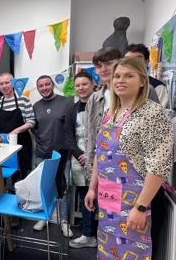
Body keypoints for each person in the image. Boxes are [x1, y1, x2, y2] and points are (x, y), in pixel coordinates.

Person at [84, 57, 173, 259]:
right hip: (108, 202)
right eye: (117, 76)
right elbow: (101, 152)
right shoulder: (110, 112)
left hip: (138, 203)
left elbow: (159, 165)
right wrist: (92, 188)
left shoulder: (152, 113)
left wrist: (140, 207)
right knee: (108, 251)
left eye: (128, 75)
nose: (120, 80)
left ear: (142, 81)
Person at [31, 75, 74, 237]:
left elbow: (72, 128)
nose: (44, 88)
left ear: (52, 85)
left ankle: (64, 221)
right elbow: (34, 128)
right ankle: (45, 216)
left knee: (63, 188)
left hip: (62, 153)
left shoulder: (67, 102)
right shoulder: (36, 105)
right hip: (42, 153)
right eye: (40, 86)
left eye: (47, 84)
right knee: (44, 186)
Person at [65, 71, 98, 248]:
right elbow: (68, 136)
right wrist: (81, 155)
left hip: (101, 158)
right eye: (78, 85)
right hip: (80, 160)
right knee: (85, 198)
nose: (81, 88)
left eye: (84, 84)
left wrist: (93, 155)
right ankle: (88, 235)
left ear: (92, 84)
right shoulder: (72, 108)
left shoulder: (102, 105)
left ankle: (104, 236)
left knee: (103, 198)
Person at [0, 73, 35, 178]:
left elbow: (31, 121)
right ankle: (2, 193)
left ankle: (20, 194)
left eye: (7, 82)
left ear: (13, 83)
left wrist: (15, 131)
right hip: (3, 144)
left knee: (22, 175)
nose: (4, 86)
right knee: (2, 175)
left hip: (22, 143)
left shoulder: (24, 100)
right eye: (1, 84)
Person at [124, 43, 169, 108]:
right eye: (128, 60)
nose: (132, 63)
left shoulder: (157, 87)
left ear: (146, 62)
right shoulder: (119, 84)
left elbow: (159, 115)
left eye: (137, 60)